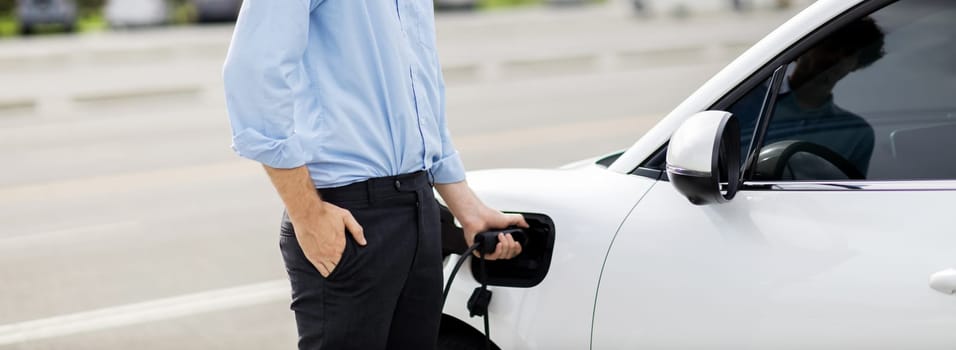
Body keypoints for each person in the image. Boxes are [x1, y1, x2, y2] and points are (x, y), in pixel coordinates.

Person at [221, 1, 527, 349]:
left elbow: (421, 92)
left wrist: (465, 206)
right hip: (350, 219)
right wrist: (308, 215)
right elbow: (253, 70)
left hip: (419, 208)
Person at [731, 17, 885, 178]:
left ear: (857, 65)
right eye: (830, 46)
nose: (835, 59)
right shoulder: (746, 103)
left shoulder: (856, 132)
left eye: (848, 53)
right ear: (799, 51)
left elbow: (853, 197)